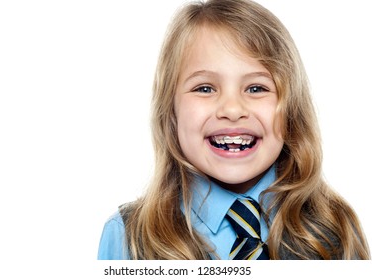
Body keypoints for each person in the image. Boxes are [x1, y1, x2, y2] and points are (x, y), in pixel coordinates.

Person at [97, 0, 370, 260]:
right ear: (171, 112)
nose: (232, 109)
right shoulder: (126, 238)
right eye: (205, 88)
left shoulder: (337, 228)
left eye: (256, 88)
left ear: (291, 111)